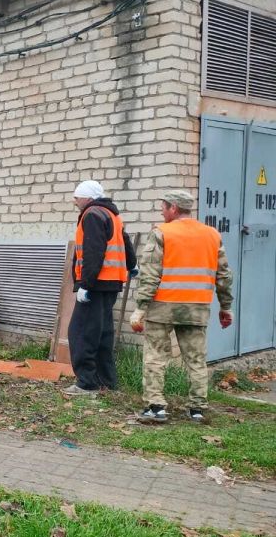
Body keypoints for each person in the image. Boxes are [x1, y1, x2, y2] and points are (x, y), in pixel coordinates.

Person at [130, 190, 234, 424]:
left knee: (156, 356)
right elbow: (224, 275)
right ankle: (197, 409)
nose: (161, 210)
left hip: (163, 307)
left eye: (163, 206)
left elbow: (150, 274)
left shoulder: (162, 233)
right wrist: (225, 306)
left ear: (174, 208)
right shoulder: (212, 235)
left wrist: (140, 307)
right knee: (196, 359)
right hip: (196, 308)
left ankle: (156, 408)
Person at [63, 180, 137, 397]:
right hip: (111, 283)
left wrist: (86, 284)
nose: (74, 201)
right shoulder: (112, 214)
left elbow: (93, 250)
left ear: (87, 198)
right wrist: (132, 264)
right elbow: (125, 242)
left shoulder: (92, 214)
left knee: (81, 333)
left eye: (77, 197)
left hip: (96, 284)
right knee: (103, 333)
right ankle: (107, 381)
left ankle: (87, 383)